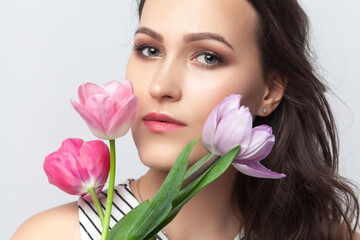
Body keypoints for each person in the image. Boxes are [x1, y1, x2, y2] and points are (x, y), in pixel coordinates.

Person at [11, 0, 360, 239]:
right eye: (149, 50)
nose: (161, 86)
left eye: (208, 57)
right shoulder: (52, 235)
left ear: (270, 91)